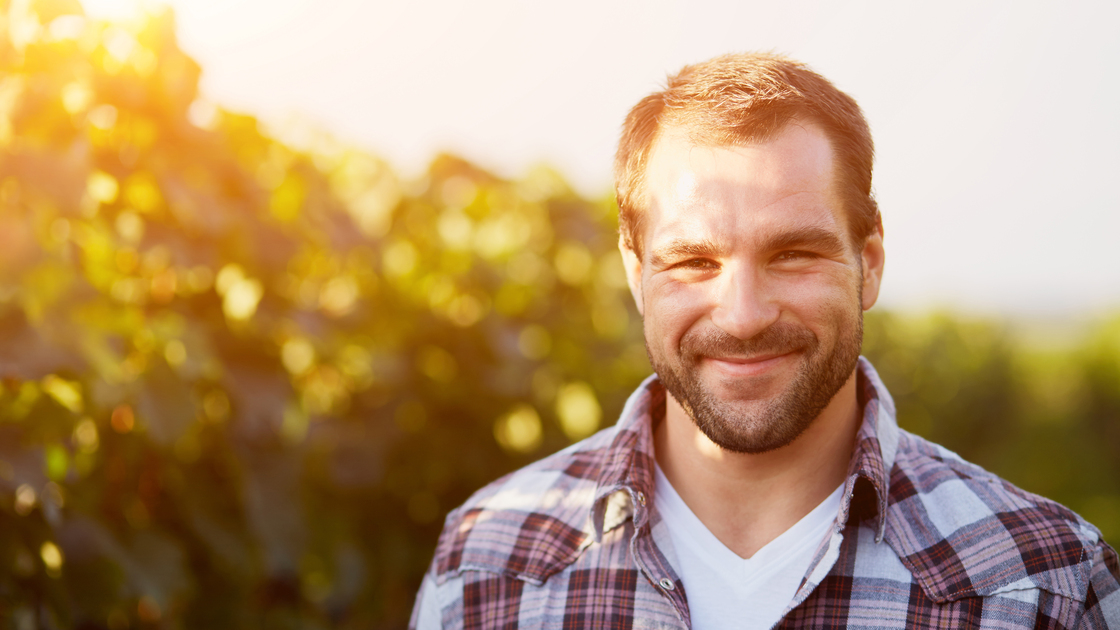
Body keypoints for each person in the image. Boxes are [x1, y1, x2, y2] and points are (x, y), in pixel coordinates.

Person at [409, 53, 1120, 629]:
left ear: (869, 262)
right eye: (693, 262)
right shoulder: (487, 567)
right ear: (635, 272)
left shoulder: (1042, 584)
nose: (743, 315)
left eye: (793, 254)